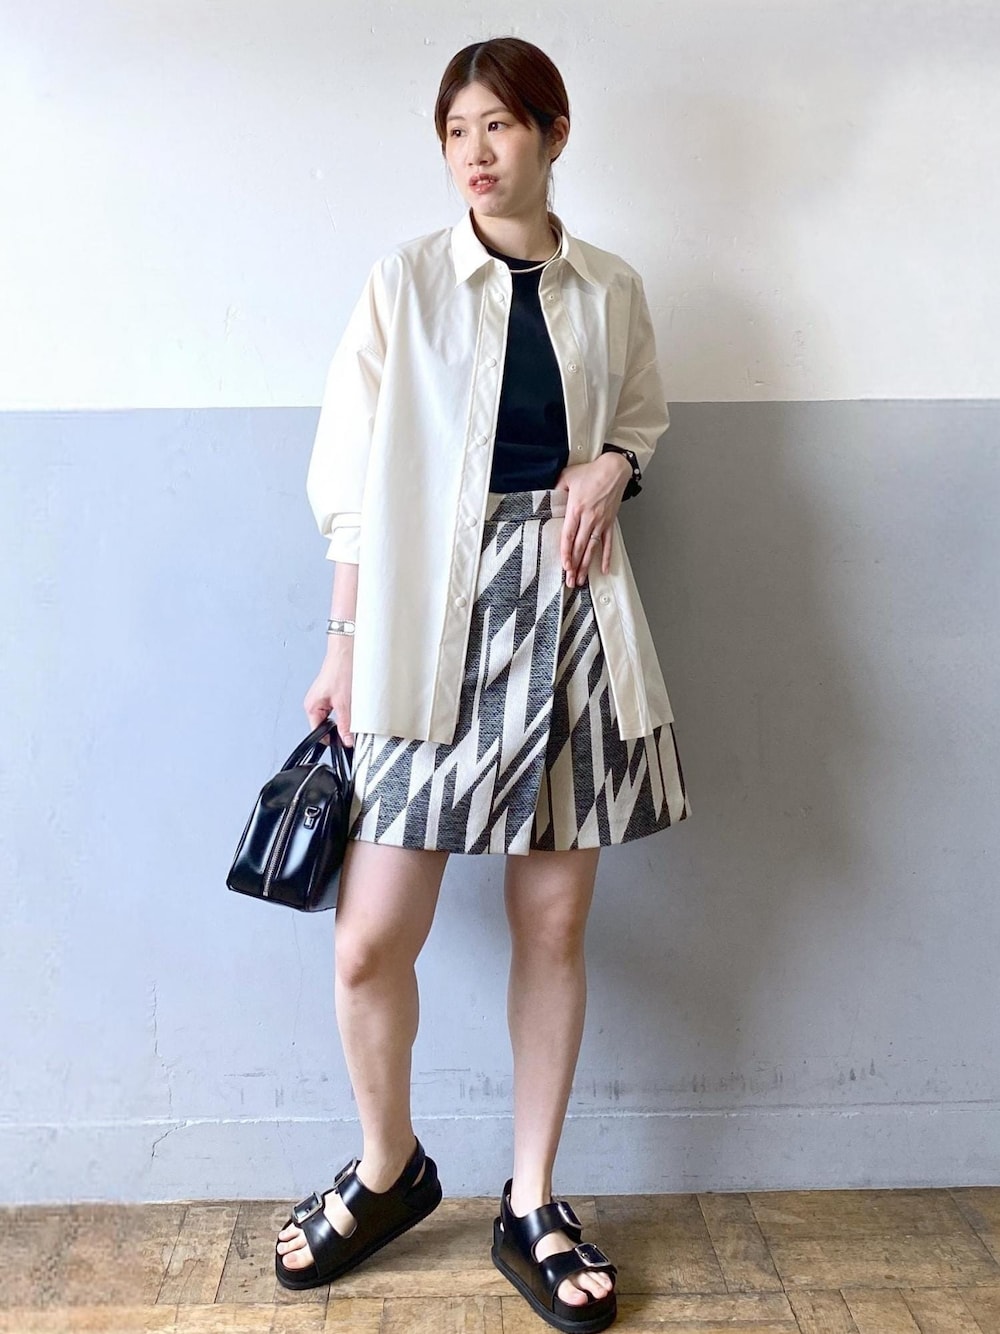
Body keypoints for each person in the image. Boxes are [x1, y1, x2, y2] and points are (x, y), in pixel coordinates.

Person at [274, 35, 691, 1333]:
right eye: (456, 128)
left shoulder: (611, 288)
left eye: (500, 124)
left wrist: (614, 464)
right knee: (368, 940)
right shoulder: (403, 282)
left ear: (553, 134)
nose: (475, 150)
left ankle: (533, 1198)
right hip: (425, 628)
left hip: (570, 616)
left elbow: (640, 418)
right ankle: (388, 1169)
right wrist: (342, 641)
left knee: (552, 926)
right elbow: (351, 476)